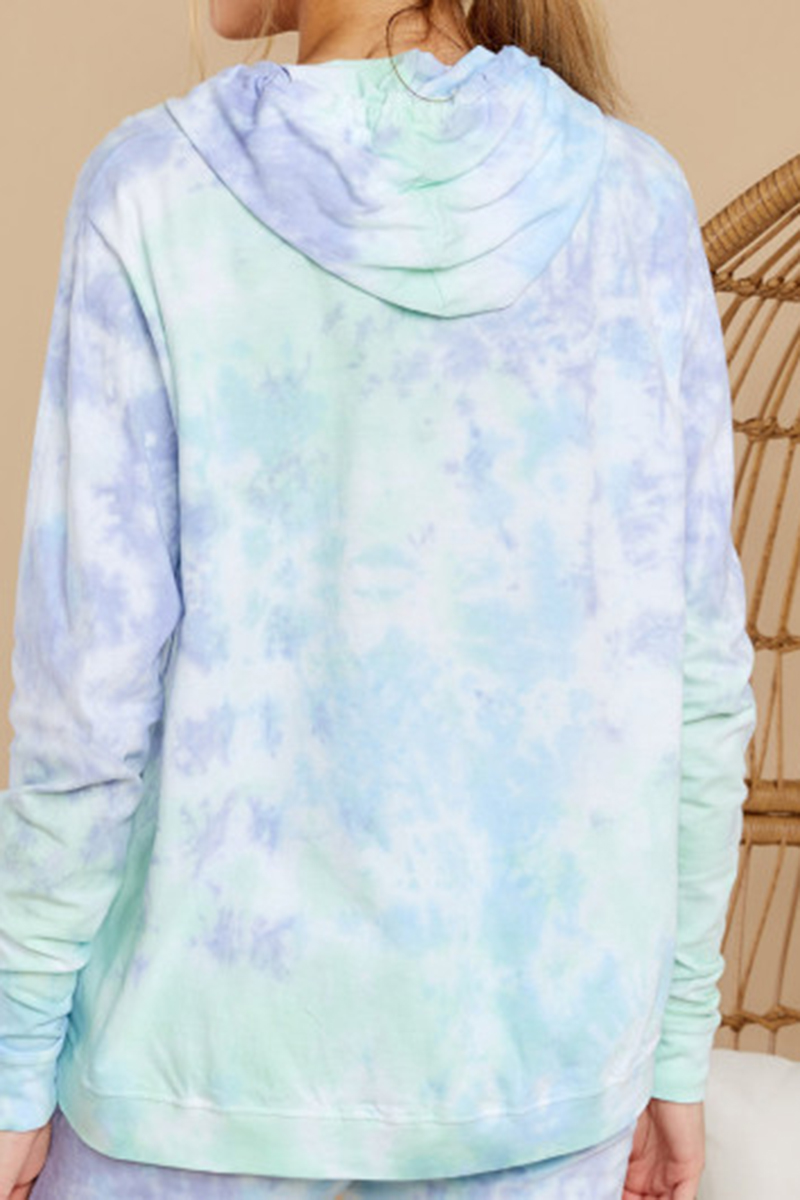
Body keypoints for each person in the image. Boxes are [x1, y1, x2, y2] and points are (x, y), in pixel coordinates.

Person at [0, 0, 758, 1197]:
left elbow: (83, 707)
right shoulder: (634, 198)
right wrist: (671, 1046)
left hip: (197, 1087)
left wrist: (11, 1058)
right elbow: (698, 680)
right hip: (539, 1085)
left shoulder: (152, 191)